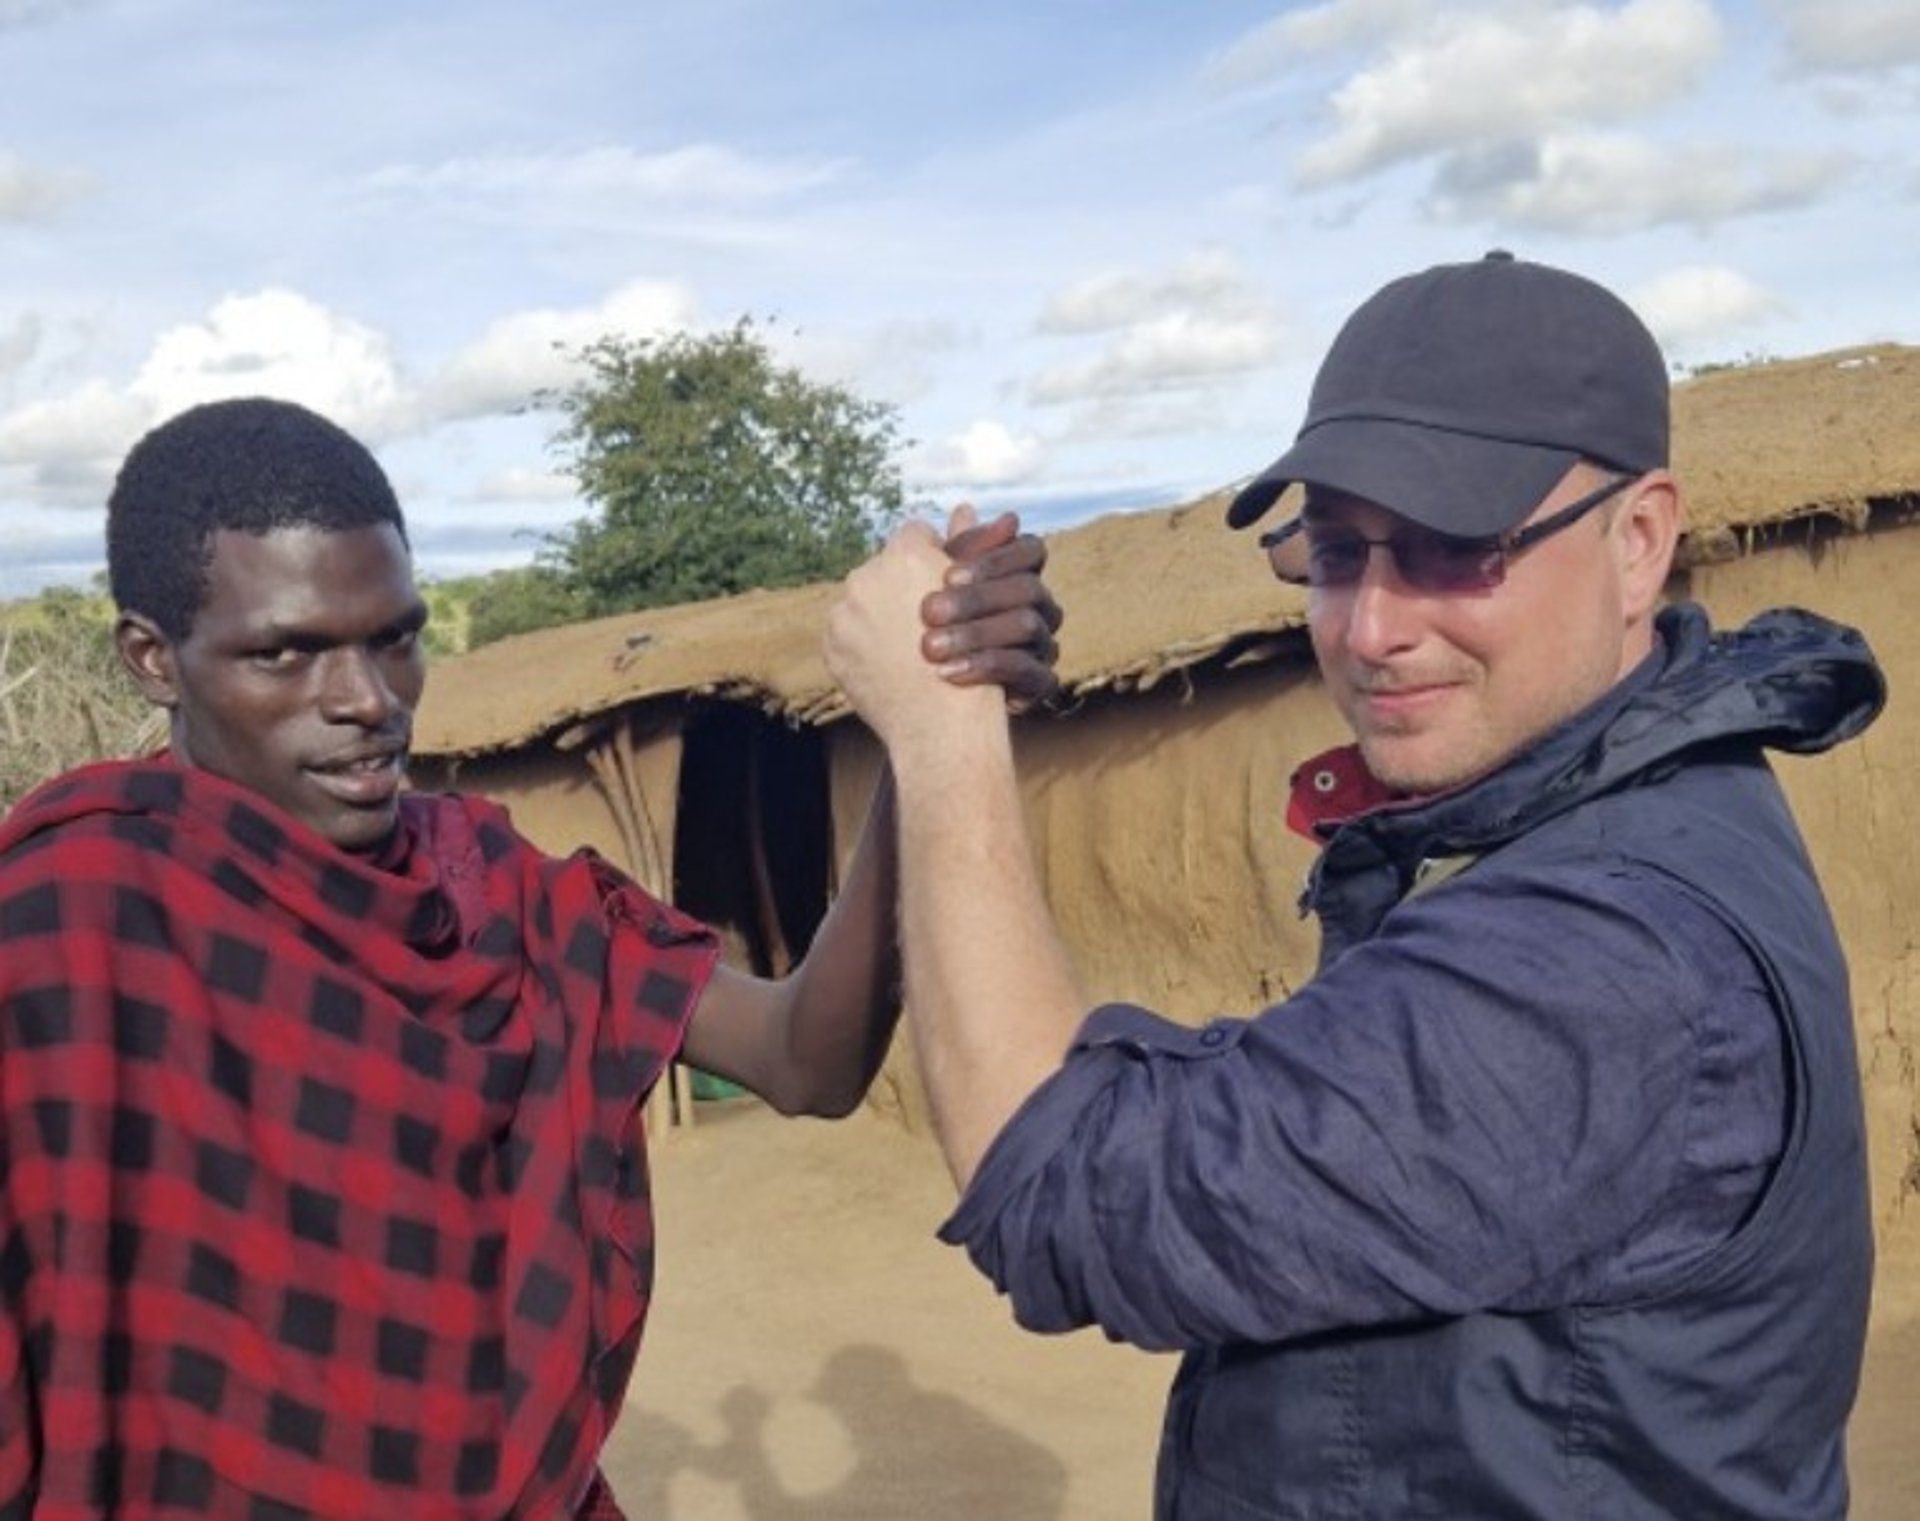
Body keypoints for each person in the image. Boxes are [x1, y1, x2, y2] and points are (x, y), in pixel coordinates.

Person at [826, 251, 1886, 1518]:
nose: (1371, 630)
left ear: (1640, 540)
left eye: (1455, 551)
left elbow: (1065, 1185)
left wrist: (940, 729)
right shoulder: (1604, 825)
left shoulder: (1605, 953)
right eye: (1337, 553)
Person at [0, 395, 1061, 1519]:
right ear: (153, 659)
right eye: (285, 654)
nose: (367, 700)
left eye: (395, 638)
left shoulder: (487, 893)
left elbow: (807, 1058)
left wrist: (932, 729)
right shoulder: (68, 922)